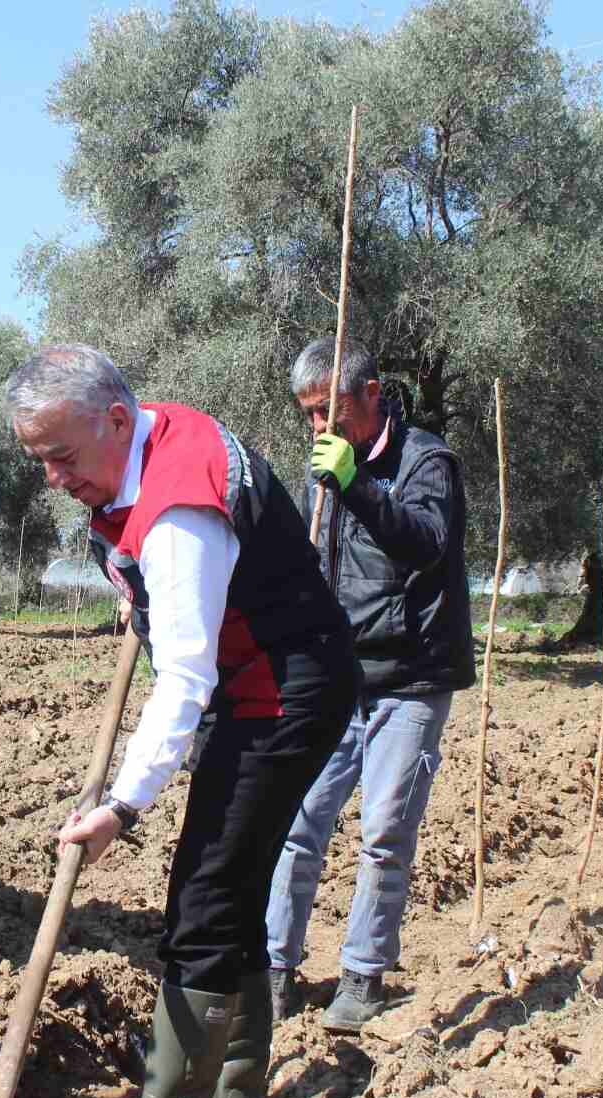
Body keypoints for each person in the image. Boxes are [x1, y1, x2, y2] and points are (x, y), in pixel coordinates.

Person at [6, 344, 357, 1098]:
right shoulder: (145, 450)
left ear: (116, 421)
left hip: (283, 689)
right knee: (224, 883)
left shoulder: (178, 505)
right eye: (40, 459)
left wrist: (122, 806)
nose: (53, 478)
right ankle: (234, 1092)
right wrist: (136, 589)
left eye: (62, 457)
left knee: (202, 899)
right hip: (261, 680)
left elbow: (187, 677)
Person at [265, 337, 475, 1029]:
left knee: (385, 829)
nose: (318, 428)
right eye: (307, 414)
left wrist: (354, 482)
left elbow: (425, 544)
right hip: (339, 676)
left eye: (328, 410)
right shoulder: (322, 469)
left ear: (371, 394)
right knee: (298, 821)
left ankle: (363, 973)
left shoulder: (427, 462)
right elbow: (310, 565)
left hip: (410, 678)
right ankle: (274, 966)